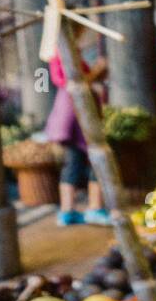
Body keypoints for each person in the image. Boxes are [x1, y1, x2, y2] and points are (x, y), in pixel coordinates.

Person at [42, 27, 109, 227]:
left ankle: (68, 210)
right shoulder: (63, 53)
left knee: (74, 163)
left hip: (71, 115)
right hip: (76, 115)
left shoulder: (66, 52)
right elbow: (70, 81)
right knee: (94, 159)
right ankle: (94, 207)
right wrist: (96, 71)